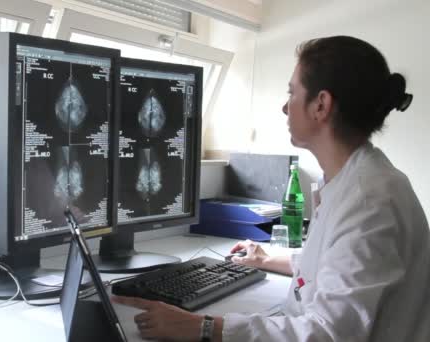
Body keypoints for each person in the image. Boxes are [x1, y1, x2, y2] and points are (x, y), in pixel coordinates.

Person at [113, 35, 430, 341]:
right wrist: (269, 259)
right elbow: (337, 267)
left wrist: (204, 328)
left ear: (321, 105)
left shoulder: (367, 202)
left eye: (292, 93)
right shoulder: (357, 180)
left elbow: (329, 335)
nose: (284, 107)